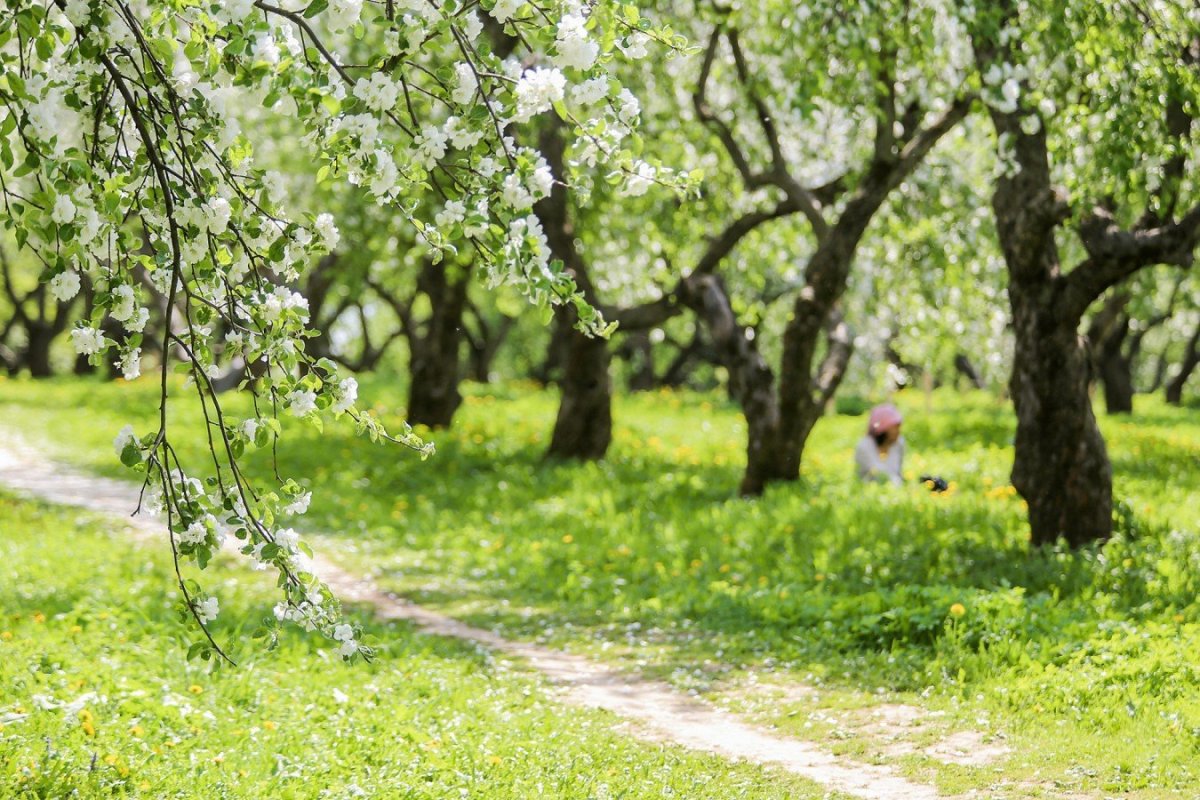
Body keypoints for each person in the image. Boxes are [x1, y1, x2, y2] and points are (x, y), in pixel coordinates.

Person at [856, 403, 904, 485]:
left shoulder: (899, 443)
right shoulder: (864, 446)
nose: (898, 431)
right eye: (895, 427)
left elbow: (898, 472)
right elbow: (879, 475)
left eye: (899, 427)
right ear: (883, 428)